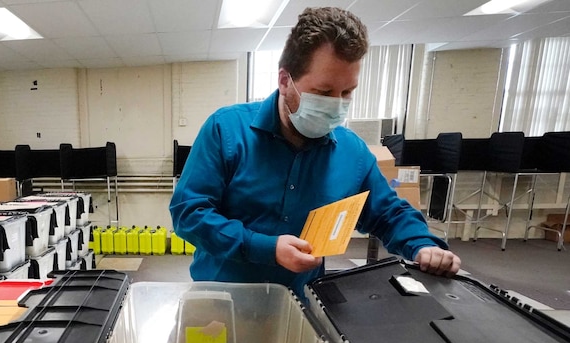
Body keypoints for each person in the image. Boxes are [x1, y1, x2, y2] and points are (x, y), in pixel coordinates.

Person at [169, 6, 461, 298]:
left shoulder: (352, 153)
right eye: (323, 92)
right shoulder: (227, 130)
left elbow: (388, 213)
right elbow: (189, 213)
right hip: (221, 301)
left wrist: (423, 244)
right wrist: (264, 247)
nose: (337, 104)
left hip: (303, 304)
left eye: (347, 92)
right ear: (285, 81)